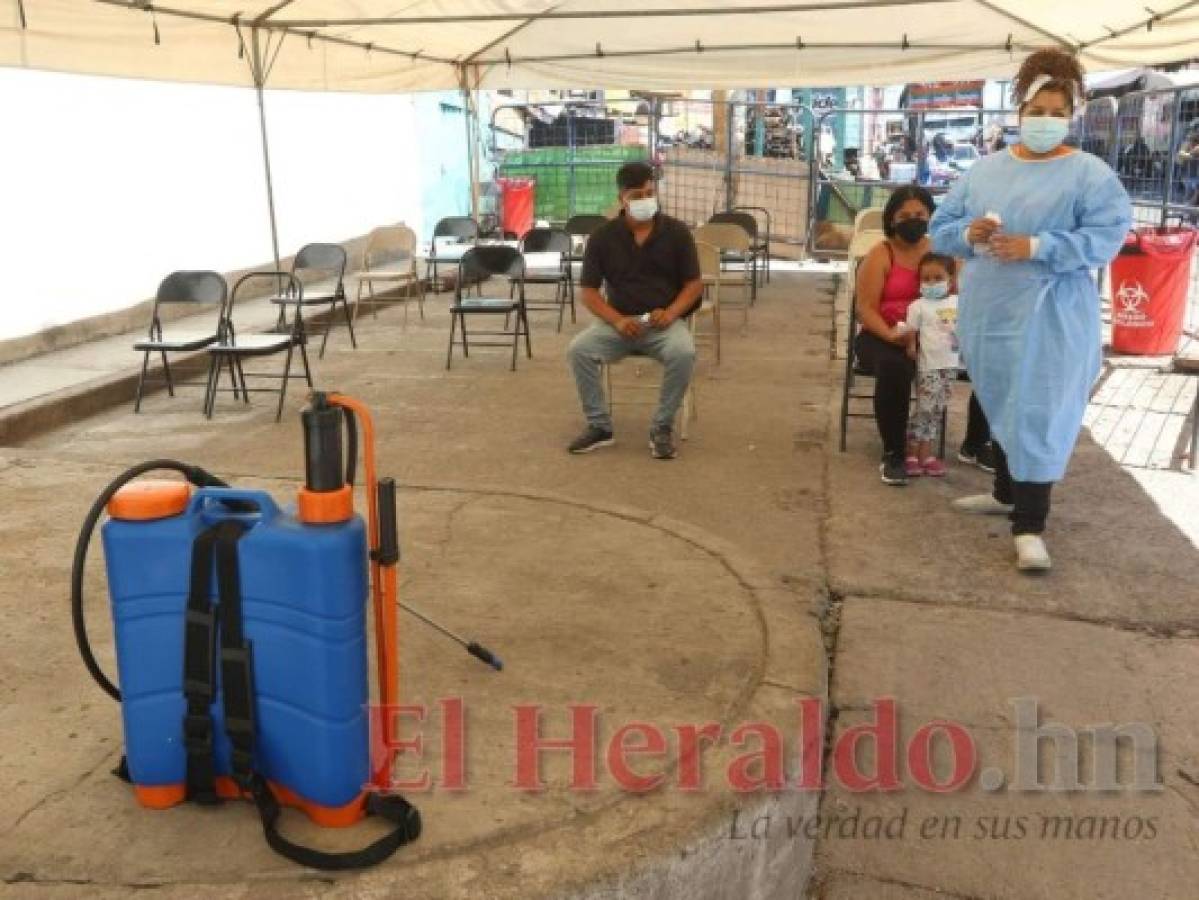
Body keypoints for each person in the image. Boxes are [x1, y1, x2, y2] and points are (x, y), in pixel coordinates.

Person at [930, 48, 1132, 573]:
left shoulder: (1090, 175)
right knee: (1002, 399)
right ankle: (1004, 493)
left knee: (1040, 409)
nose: (1044, 122)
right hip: (992, 311)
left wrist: (1039, 247)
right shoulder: (985, 171)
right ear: (1019, 112)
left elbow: (1106, 237)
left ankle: (1030, 526)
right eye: (1035, 111)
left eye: (1055, 112)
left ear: (1071, 115)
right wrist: (968, 235)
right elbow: (942, 226)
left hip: (1052, 316)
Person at [565, 161, 703, 461]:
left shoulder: (677, 233)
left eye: (650, 193)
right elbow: (588, 292)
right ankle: (600, 426)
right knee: (579, 350)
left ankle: (662, 427)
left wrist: (671, 312)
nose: (645, 201)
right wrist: (615, 320)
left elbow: (694, 284)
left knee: (684, 352)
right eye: (637, 195)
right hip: (620, 324)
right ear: (622, 200)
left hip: (664, 324)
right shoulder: (602, 238)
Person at [854, 185, 935, 485]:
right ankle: (895, 453)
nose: (913, 220)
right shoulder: (880, 254)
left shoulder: (939, 252)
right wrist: (891, 336)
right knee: (894, 367)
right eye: (904, 215)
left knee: (987, 357)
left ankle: (977, 444)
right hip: (880, 335)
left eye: (920, 214)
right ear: (891, 219)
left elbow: (954, 295)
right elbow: (865, 309)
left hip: (930, 336)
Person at [895, 253, 961, 477]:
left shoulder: (958, 302)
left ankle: (927, 454)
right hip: (929, 366)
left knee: (937, 410)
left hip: (950, 364)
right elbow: (911, 330)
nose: (931, 283)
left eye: (937, 277)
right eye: (926, 279)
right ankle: (911, 452)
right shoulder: (918, 306)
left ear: (950, 279)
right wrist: (911, 346)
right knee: (924, 408)